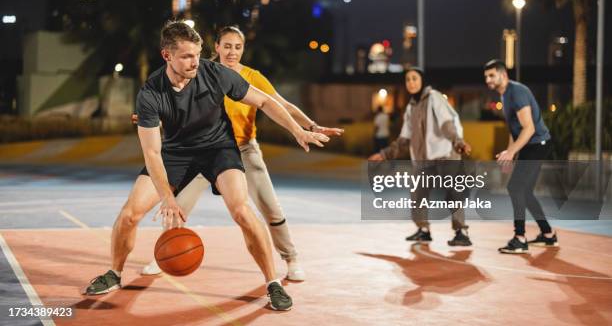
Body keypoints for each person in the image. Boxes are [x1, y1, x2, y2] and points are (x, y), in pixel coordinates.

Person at [83, 21, 329, 312]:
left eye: (197, 54)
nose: (194, 61)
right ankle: (114, 273)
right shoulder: (151, 92)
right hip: (176, 152)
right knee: (129, 214)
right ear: (167, 56)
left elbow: (264, 101)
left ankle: (272, 282)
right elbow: (151, 152)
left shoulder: (215, 73)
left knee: (241, 210)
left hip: (219, 149)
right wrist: (167, 196)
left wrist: (298, 130)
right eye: (186, 56)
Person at [138, 25, 344, 281]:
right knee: (176, 207)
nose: (232, 51)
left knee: (269, 207)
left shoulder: (250, 77)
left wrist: (308, 127)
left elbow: (281, 104)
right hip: (203, 149)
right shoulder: (199, 71)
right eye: (227, 46)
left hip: (243, 149)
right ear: (216, 48)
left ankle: (291, 258)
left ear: (243, 49)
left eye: (238, 47)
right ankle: (167, 253)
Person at [369, 67, 473, 246]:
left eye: (414, 79)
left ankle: (461, 232)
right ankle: (423, 230)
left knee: (453, 192)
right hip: (424, 158)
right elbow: (404, 139)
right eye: (408, 79)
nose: (411, 82)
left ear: (422, 81)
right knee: (418, 192)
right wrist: (384, 154)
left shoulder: (434, 97)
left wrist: (459, 142)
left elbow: (447, 124)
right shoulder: (411, 107)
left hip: (445, 153)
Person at [484, 59, 558, 254]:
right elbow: (514, 131)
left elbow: (529, 128)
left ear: (503, 74)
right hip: (529, 145)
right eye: (486, 76)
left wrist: (511, 152)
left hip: (537, 144)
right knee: (524, 191)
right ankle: (548, 234)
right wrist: (510, 155)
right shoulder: (505, 96)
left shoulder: (516, 92)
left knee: (515, 187)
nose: (488, 79)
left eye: (492, 75)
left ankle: (520, 238)